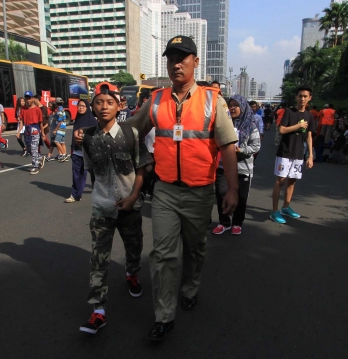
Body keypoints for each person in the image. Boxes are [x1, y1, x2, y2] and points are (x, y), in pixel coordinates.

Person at [76, 35, 239, 341]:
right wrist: (92, 132)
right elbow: (130, 129)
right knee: (162, 255)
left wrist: (232, 189)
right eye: (171, 58)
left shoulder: (211, 101)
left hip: (200, 192)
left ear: (195, 62)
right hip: (164, 191)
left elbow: (228, 148)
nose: (177, 64)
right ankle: (164, 316)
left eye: (183, 58)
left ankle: (190, 287)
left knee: (195, 249)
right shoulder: (157, 100)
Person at [78, 82, 152, 335]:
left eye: (110, 102)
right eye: (99, 102)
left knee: (134, 246)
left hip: (130, 206)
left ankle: (132, 272)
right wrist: (101, 196)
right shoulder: (87, 137)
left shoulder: (131, 134)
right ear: (93, 107)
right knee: (98, 258)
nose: (104, 106)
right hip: (102, 208)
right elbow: (91, 171)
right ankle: (98, 311)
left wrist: (133, 196)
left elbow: (142, 168)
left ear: (119, 106)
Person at [212, 94, 261, 235]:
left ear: (243, 107)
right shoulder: (224, 124)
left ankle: (237, 223)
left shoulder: (251, 126)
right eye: (230, 105)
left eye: (236, 105)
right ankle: (224, 222)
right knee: (221, 193)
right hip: (223, 166)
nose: (232, 108)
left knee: (241, 197)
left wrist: (241, 150)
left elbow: (256, 146)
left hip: (243, 168)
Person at [270, 86, 314, 224]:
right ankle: (275, 211)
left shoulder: (309, 115)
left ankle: (286, 207)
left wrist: (310, 155)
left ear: (309, 98)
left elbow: (309, 136)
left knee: (292, 181)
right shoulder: (289, 112)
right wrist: (297, 127)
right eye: (300, 96)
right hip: (285, 152)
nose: (302, 99)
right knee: (280, 181)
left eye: (305, 96)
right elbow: (282, 129)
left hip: (299, 153)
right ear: (296, 97)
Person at [64, 99, 96, 203]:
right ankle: (76, 194)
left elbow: (95, 134)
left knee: (94, 175)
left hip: (89, 152)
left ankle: (98, 191)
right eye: (79, 105)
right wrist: (72, 149)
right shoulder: (77, 119)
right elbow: (74, 136)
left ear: (87, 107)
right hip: (77, 152)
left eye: (83, 106)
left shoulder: (92, 120)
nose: (81, 107)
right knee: (77, 174)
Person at [18, 91, 45, 174]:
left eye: (29, 98)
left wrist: (43, 133)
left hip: (35, 129)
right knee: (29, 149)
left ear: (33, 98)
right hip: (27, 129)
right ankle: (40, 157)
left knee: (34, 148)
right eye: (26, 98)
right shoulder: (23, 109)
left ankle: (35, 166)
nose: (27, 100)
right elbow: (22, 121)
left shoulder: (37, 109)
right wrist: (19, 131)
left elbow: (40, 122)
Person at [53, 97, 69, 162]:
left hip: (60, 128)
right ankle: (65, 153)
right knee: (62, 142)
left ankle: (63, 155)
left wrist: (55, 129)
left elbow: (60, 121)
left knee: (56, 141)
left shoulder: (59, 110)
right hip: (64, 127)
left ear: (56, 103)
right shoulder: (62, 109)